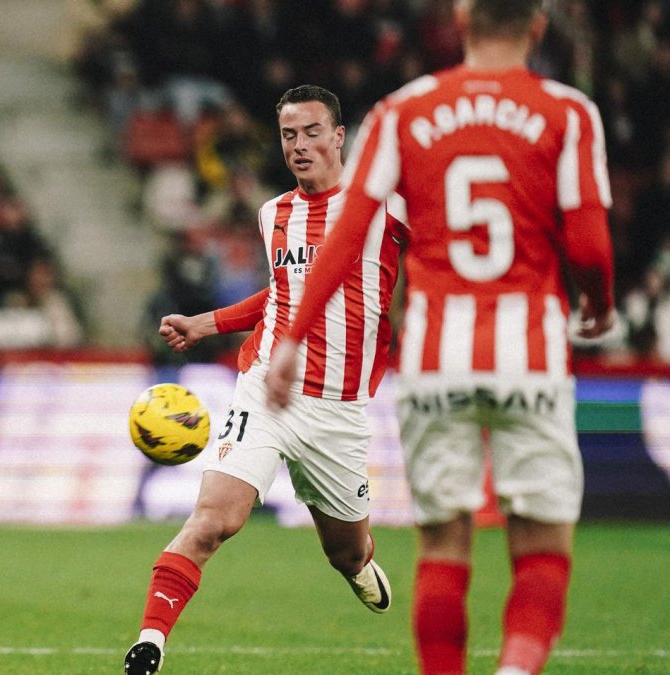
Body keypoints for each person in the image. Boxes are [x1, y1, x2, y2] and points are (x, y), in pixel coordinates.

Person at [262, 3, 615, 674]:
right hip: (529, 352)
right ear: (537, 28)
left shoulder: (402, 110)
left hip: (434, 356)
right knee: (542, 544)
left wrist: (291, 338)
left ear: (461, 20)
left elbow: (345, 235)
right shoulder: (568, 111)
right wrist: (597, 302)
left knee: (444, 547)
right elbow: (591, 243)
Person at [124, 85, 408, 674]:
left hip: (339, 408)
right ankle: (150, 640)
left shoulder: (388, 209)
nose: (299, 146)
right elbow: (283, 295)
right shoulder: (272, 213)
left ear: (338, 137)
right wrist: (206, 324)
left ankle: (356, 566)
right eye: (288, 135)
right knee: (214, 521)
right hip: (265, 388)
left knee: (346, 550)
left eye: (311, 132)